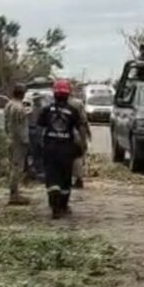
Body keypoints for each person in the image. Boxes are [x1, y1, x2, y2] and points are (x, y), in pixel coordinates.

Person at [37, 79, 84, 219]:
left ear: (54, 94)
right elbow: (80, 130)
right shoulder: (73, 111)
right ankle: (63, 206)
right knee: (65, 179)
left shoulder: (46, 110)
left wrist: (40, 146)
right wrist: (82, 147)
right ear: (68, 94)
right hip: (66, 150)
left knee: (52, 178)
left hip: (50, 149)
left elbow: (39, 130)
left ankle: (54, 207)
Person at [3, 84, 31, 205]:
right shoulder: (19, 108)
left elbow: (5, 123)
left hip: (9, 138)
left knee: (12, 166)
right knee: (17, 168)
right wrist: (26, 141)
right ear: (22, 94)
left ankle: (14, 192)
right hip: (18, 141)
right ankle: (14, 195)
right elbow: (21, 128)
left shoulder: (8, 105)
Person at [69, 93, 91, 189]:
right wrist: (87, 135)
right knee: (78, 155)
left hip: (63, 135)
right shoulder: (78, 103)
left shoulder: (55, 102)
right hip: (76, 133)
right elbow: (84, 121)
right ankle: (78, 179)